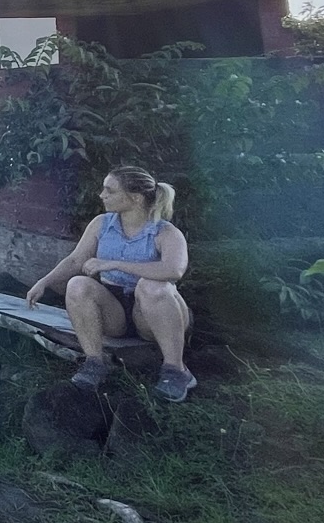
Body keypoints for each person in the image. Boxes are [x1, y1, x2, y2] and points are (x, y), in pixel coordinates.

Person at [25, 165, 197, 401]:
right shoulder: (102, 224)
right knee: (77, 284)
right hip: (114, 311)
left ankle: (176, 371)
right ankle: (94, 363)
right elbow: (76, 260)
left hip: (153, 312)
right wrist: (44, 282)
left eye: (110, 190)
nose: (102, 195)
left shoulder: (165, 232)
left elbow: (174, 270)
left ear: (135, 198)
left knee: (151, 286)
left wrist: (114, 264)